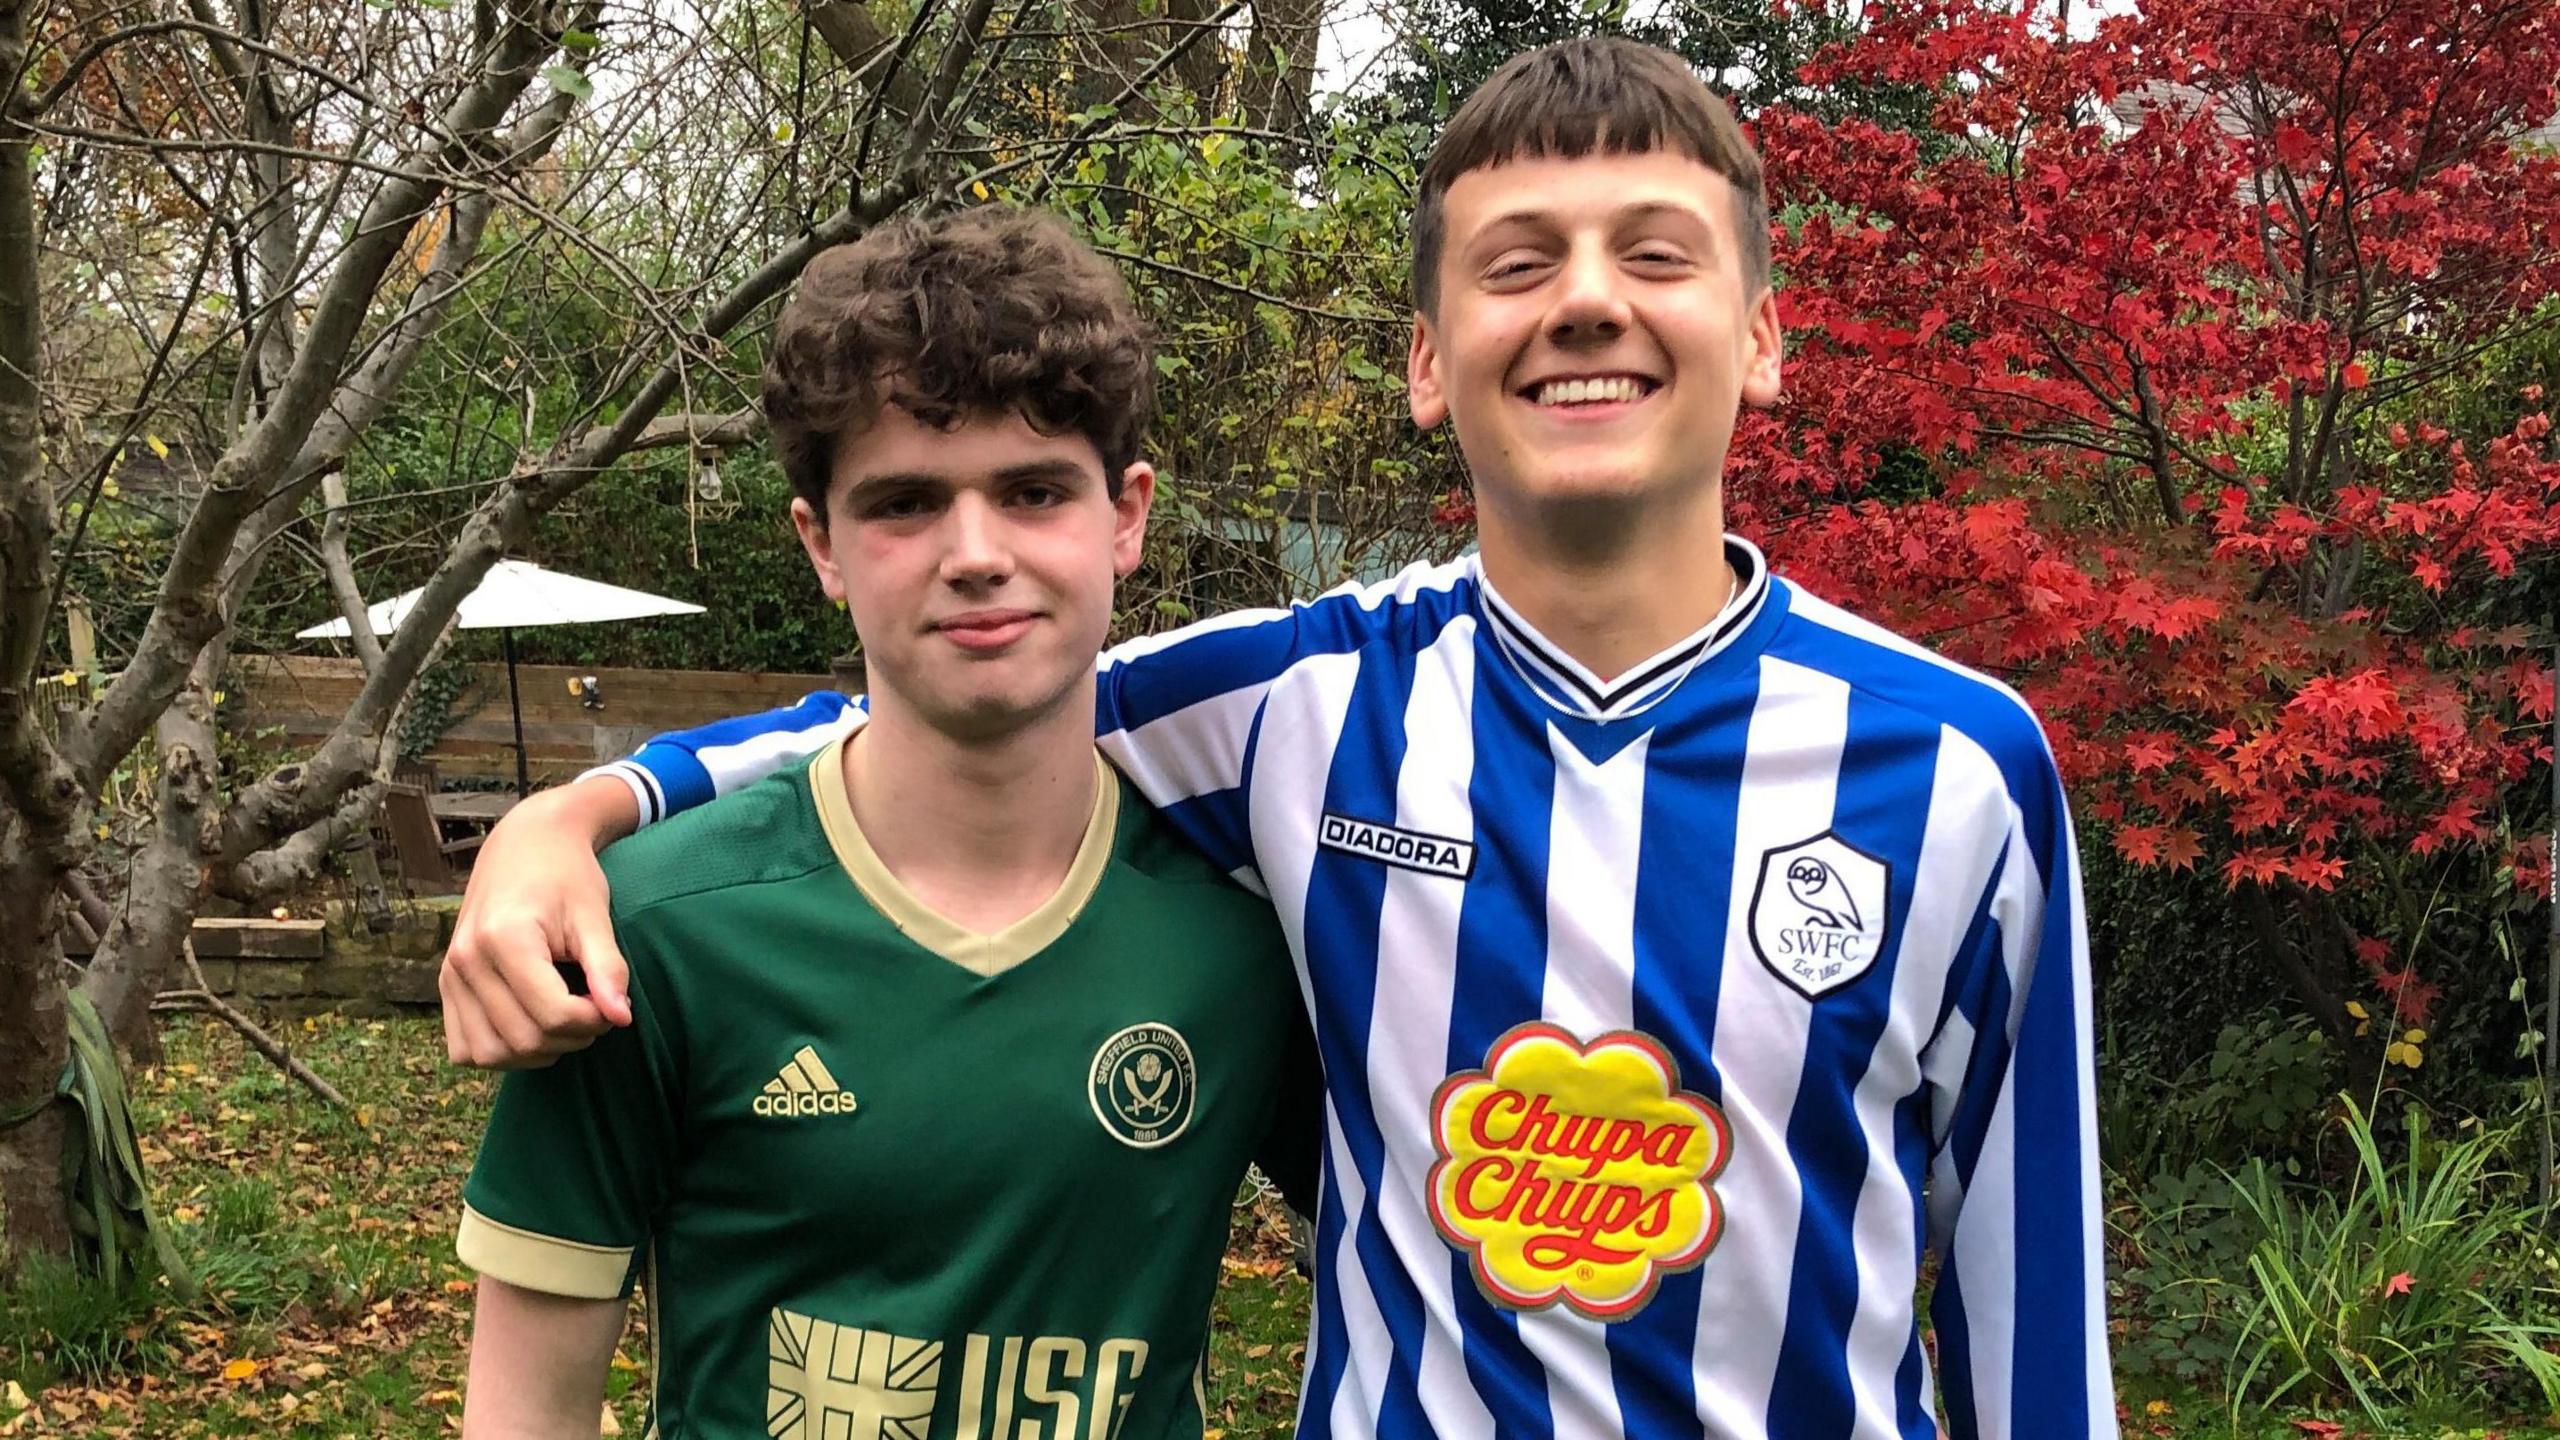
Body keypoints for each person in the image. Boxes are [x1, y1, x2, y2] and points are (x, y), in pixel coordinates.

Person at [445, 38, 2116, 1440]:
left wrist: (575, 809)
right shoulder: (1295, 705)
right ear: (1423, 361)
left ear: (1761, 335)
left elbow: (2030, 1321)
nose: (1587, 304)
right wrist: (576, 817)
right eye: (1518, 262)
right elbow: (942, 702)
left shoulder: (1960, 769)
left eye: (1657, 253)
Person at [453, 206, 1312, 1440]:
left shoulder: (1246, 941)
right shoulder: (645, 932)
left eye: (1032, 492)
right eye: (906, 503)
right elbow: (525, 1411)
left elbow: (1434, 1259)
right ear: (822, 545)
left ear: (1125, 516)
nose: (974, 554)